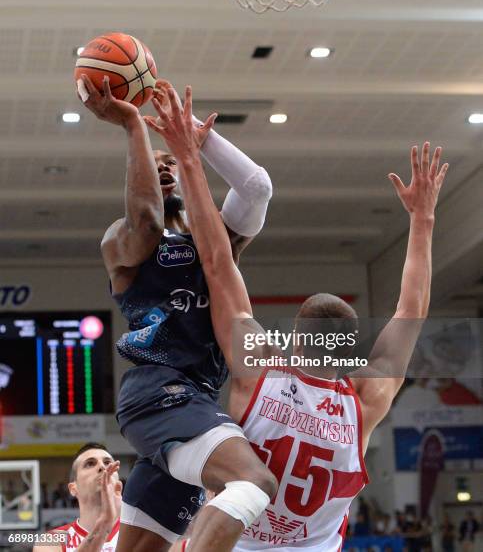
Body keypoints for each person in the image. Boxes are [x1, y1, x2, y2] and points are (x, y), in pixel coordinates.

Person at [153, 88, 449, 552]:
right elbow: (411, 310)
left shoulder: (260, 368)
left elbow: (216, 262)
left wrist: (190, 159)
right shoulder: (365, 401)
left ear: (292, 336)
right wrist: (423, 219)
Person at [77, 75, 277, 552]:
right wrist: (133, 125)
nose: (163, 167)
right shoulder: (122, 240)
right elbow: (145, 217)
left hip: (196, 398)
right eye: (154, 164)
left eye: (169, 163)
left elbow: (256, 187)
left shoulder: (217, 239)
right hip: (161, 392)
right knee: (254, 482)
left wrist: (189, 134)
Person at [33, 443, 121, 552]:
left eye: (107, 462)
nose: (102, 467)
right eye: (90, 464)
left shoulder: (139, 530)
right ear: (73, 488)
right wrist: (103, 525)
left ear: (118, 483)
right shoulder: (51, 541)